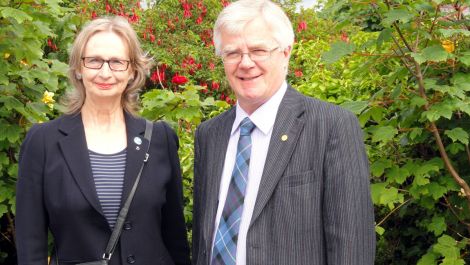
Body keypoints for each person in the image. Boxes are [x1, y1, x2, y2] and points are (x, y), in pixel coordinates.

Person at [192, 1, 375, 264]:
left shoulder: (331, 126)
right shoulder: (209, 135)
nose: (245, 63)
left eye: (258, 50)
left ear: (286, 53)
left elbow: (352, 247)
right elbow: (202, 240)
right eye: (233, 53)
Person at [16, 16, 190, 265]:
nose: (105, 72)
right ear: (78, 67)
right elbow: (30, 244)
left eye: (117, 62)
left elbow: (175, 238)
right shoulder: (43, 142)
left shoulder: (160, 139)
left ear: (132, 71)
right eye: (94, 61)